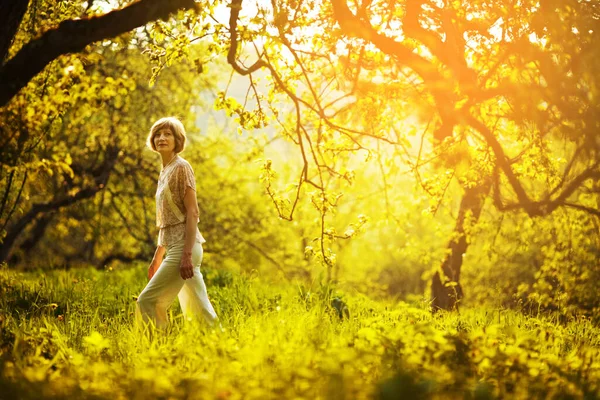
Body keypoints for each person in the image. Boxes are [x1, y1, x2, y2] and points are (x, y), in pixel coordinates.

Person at [136, 116, 218, 330]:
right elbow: (168, 220)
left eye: (167, 134)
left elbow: (192, 212)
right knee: (198, 311)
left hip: (184, 247)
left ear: (177, 140)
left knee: (147, 300)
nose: (161, 138)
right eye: (158, 134)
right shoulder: (165, 171)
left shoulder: (182, 167)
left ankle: (156, 349)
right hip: (175, 247)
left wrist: (187, 255)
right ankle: (221, 348)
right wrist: (157, 256)